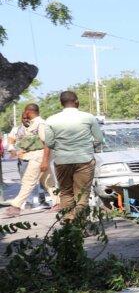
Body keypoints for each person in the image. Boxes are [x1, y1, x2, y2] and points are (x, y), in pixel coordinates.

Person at [42, 91, 104, 220]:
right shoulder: (88, 117)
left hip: (62, 161)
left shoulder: (51, 120)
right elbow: (98, 139)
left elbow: (49, 143)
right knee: (82, 194)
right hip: (84, 160)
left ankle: (69, 222)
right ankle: (80, 223)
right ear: (77, 102)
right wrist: (86, 147)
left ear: (61, 103)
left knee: (66, 193)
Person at [1, 104, 57, 218]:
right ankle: (59, 203)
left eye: (26, 111)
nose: (25, 115)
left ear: (29, 112)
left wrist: (45, 161)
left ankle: (15, 207)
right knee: (48, 182)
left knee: (28, 181)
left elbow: (47, 143)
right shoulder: (32, 124)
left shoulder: (40, 124)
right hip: (33, 157)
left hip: (38, 157)